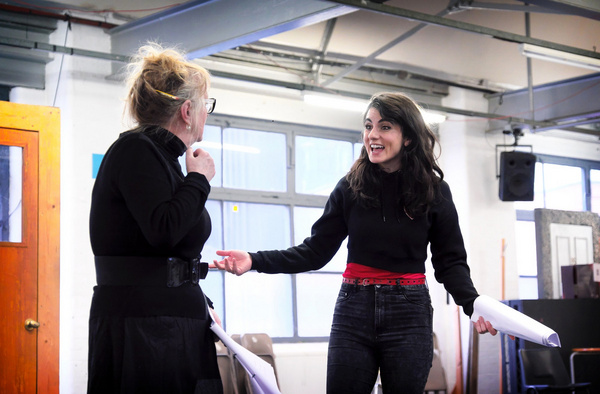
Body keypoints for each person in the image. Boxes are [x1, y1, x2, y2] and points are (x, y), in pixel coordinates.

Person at [212, 92, 501, 394]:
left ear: (409, 139)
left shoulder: (434, 191)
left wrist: (472, 303)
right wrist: (254, 260)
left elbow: (450, 261)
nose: (372, 135)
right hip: (354, 311)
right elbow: (314, 252)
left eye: (385, 126)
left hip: (409, 312)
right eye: (368, 126)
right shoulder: (350, 187)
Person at [88, 42, 223, 393]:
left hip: (168, 319)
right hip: (145, 328)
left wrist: (200, 302)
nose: (206, 115)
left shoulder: (164, 160)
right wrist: (199, 179)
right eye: (206, 106)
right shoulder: (136, 150)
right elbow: (164, 230)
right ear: (188, 110)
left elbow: (171, 252)